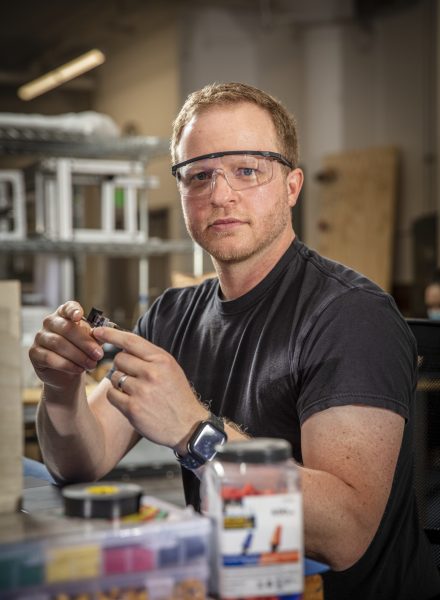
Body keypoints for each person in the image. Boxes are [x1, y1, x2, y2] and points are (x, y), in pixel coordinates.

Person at [30, 82, 440, 599]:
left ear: (292, 186)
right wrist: (61, 387)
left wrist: (193, 430)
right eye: (199, 174)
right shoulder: (171, 315)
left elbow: (345, 531)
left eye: (247, 170)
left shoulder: (351, 316)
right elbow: (79, 463)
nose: (220, 194)